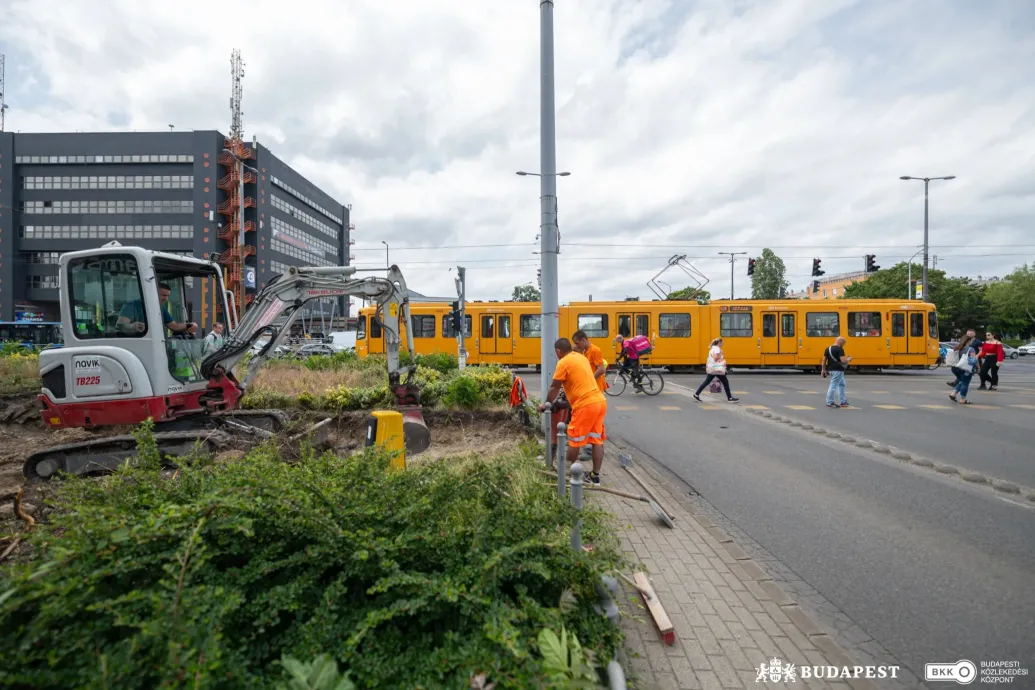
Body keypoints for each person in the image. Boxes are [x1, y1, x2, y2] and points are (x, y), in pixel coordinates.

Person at [538, 338, 608, 485]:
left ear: (558, 351)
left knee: (575, 440)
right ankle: (594, 477)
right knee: (596, 439)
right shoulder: (581, 357)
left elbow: (554, 387)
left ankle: (571, 474)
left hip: (585, 405)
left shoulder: (563, 362)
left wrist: (546, 403)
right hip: (600, 401)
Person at [118, 283, 197, 336]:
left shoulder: (160, 308)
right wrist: (132, 326)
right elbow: (120, 325)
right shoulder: (132, 305)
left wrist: (189, 325)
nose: (166, 299)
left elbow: (174, 326)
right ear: (153, 293)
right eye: (163, 295)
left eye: (168, 296)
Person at [692, 338, 739, 403]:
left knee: (707, 382)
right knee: (725, 382)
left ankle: (696, 394)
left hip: (713, 368)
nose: (723, 343)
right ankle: (730, 398)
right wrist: (721, 354)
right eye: (722, 342)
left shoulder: (712, 349)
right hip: (717, 368)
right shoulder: (717, 349)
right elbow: (715, 358)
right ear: (719, 343)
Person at [572, 330, 608, 394]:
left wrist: (589, 380)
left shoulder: (595, 350)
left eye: (577, 343)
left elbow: (601, 369)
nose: (576, 346)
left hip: (596, 387)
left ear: (583, 340)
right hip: (590, 387)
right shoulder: (585, 351)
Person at [821, 336, 852, 408]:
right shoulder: (840, 349)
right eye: (843, 343)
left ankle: (843, 401)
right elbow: (843, 361)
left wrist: (823, 369)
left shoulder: (828, 349)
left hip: (831, 369)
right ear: (841, 342)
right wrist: (848, 359)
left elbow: (824, 360)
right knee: (833, 385)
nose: (843, 344)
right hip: (838, 370)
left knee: (842, 384)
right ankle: (829, 402)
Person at [949, 335, 980, 404]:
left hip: (955, 368)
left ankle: (953, 394)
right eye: (971, 340)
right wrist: (978, 367)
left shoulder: (957, 347)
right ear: (968, 341)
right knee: (965, 383)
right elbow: (973, 360)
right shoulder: (971, 349)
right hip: (965, 368)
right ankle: (962, 399)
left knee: (962, 381)